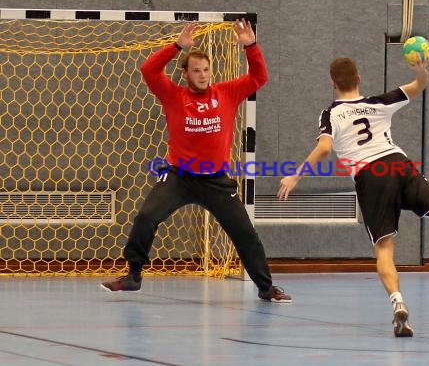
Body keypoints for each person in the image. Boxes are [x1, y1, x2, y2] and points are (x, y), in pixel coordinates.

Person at [277, 55, 429, 334]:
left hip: (372, 176)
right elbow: (419, 86)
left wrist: (295, 175)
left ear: (333, 84)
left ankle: (398, 304)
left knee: (384, 247)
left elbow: (325, 148)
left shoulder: (331, 113)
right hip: (400, 164)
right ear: (358, 79)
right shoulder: (379, 102)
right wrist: (421, 71)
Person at [101, 20, 291, 303]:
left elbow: (258, 77)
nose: (202, 75)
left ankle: (265, 288)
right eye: (196, 71)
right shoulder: (173, 95)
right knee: (146, 218)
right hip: (178, 177)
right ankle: (133, 276)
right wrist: (178, 46)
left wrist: (250, 46)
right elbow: (148, 69)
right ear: (186, 73)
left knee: (244, 233)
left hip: (215, 180)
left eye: (205, 70)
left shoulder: (226, 92)